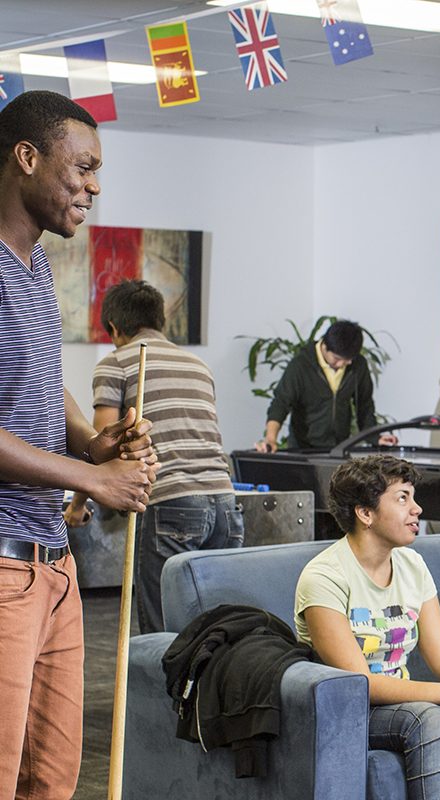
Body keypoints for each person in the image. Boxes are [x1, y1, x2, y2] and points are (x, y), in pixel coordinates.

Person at [0, 90, 156, 800]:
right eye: (83, 167)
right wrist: (93, 482)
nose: (94, 186)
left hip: (52, 571)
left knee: (53, 783)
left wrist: (97, 445)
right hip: (2, 567)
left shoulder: (34, 269)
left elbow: (41, 384)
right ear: (27, 158)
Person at [295, 455, 440, 799]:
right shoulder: (324, 577)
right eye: (403, 498)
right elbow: (359, 684)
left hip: (403, 705)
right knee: (428, 718)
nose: (417, 509)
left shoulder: (412, 564)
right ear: (365, 513)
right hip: (349, 712)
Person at [63, 279, 242, 633]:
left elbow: (102, 446)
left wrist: (78, 505)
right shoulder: (198, 365)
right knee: (215, 630)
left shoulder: (117, 363)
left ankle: (161, 692)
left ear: (113, 328)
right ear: (160, 321)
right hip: (226, 504)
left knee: (163, 632)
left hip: (170, 505)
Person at [255, 319, 387, 452]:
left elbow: (364, 405)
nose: (342, 364)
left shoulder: (358, 365)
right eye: (337, 359)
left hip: (339, 448)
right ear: (324, 345)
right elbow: (281, 403)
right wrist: (271, 439)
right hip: (303, 449)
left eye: (347, 360)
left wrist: (375, 438)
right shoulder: (301, 365)